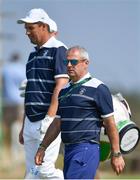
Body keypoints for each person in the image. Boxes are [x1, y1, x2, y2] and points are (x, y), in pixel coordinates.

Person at [35, 46, 125, 179]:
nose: (69, 65)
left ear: (86, 63)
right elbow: (57, 123)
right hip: (69, 150)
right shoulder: (64, 90)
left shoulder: (98, 88)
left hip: (86, 149)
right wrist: (43, 147)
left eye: (74, 62)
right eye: (67, 62)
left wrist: (116, 154)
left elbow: (110, 124)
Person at [17, 8, 69, 179]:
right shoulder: (32, 55)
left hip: (48, 121)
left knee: (45, 170)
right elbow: (30, 91)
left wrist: (50, 119)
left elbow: (61, 85)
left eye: (30, 27)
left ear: (43, 26)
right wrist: (24, 125)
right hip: (31, 122)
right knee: (32, 173)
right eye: (26, 28)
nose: (27, 32)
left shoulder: (59, 49)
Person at [2, 52, 25, 159]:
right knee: (19, 124)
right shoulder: (22, 68)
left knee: (6, 126)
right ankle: (17, 151)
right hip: (19, 101)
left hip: (6, 101)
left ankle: (8, 149)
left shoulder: (5, 69)